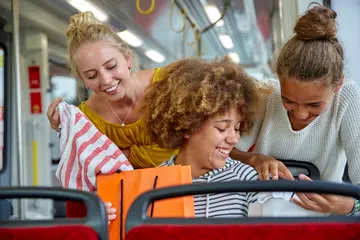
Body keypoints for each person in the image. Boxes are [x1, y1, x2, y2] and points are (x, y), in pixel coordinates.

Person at [230, 4, 360, 215]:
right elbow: (224, 152)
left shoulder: (347, 97)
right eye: (288, 100)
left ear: (337, 86)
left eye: (314, 105)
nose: (300, 114)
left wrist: (349, 206)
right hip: (262, 210)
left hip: (322, 218)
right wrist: (254, 159)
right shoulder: (267, 95)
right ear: (279, 81)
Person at [46, 11, 177, 170]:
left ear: (127, 59)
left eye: (111, 66)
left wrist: (124, 156)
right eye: (92, 75)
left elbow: (184, 143)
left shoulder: (169, 85)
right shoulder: (85, 118)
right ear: (83, 80)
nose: (106, 80)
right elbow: (92, 167)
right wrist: (66, 130)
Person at [141, 57, 262, 218]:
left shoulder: (247, 180)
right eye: (222, 128)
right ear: (187, 126)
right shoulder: (154, 183)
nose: (234, 139)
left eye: (237, 128)